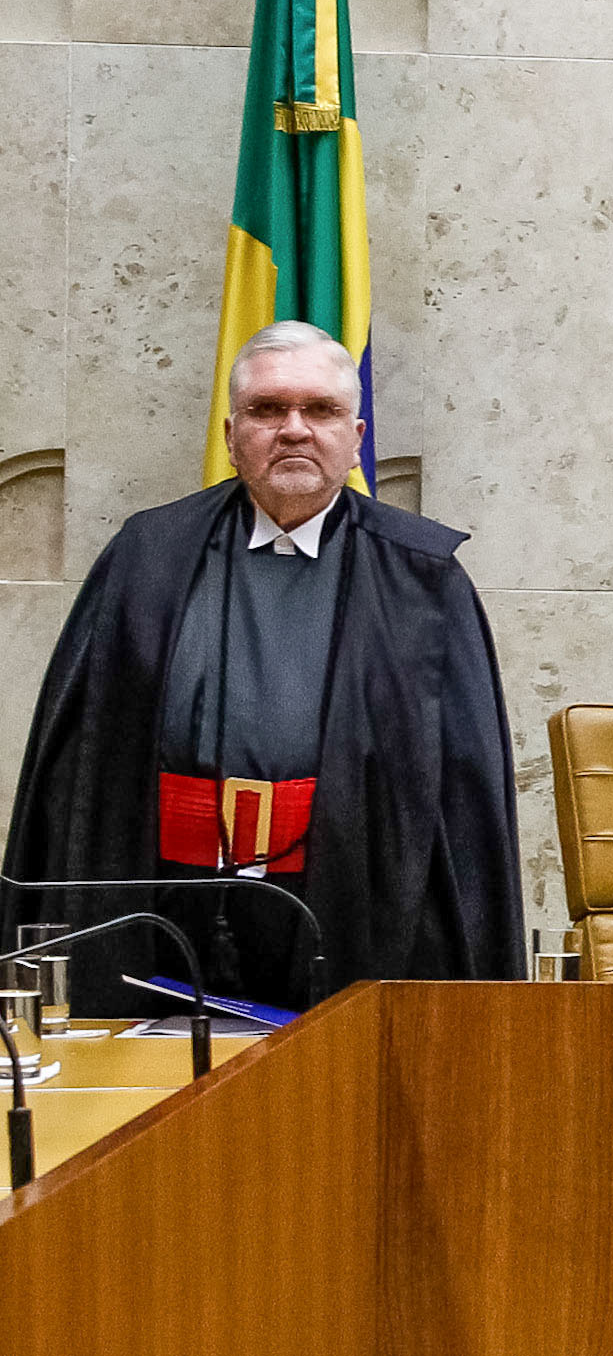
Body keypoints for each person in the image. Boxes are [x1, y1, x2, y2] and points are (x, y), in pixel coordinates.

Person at [3, 321, 521, 1009]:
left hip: (348, 906)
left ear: (356, 437)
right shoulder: (148, 556)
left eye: (321, 410)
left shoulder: (422, 577)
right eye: (269, 410)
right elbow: (79, 767)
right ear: (231, 434)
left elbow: (464, 799)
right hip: (166, 908)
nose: (295, 429)